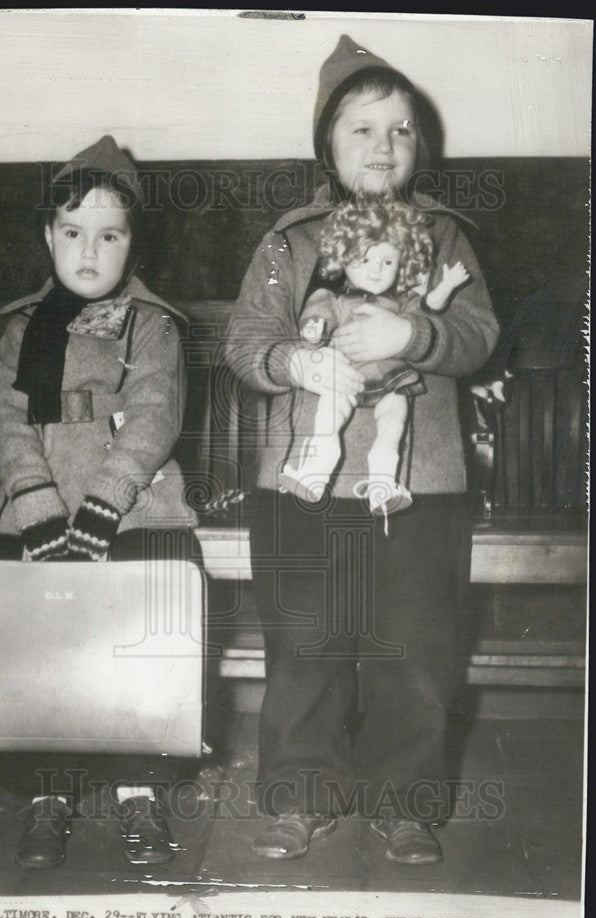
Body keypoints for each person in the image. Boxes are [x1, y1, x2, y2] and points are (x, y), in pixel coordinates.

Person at [225, 35, 499, 864]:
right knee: (306, 642)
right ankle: (301, 793)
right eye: (362, 129)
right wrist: (296, 359)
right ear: (326, 146)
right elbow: (246, 341)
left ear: (421, 146)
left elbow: (480, 336)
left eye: (402, 130)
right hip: (301, 485)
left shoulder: (445, 236)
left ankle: (405, 800)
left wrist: (416, 329)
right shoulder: (290, 240)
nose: (385, 146)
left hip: (419, 479)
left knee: (417, 646)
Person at [0, 135, 200, 869]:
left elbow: (153, 417)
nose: (88, 250)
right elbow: (8, 424)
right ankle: (50, 793)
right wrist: (38, 503)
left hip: (134, 511)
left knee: (135, 656)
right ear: (49, 236)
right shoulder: (20, 329)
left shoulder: (154, 325)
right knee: (43, 657)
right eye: (72, 232)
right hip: (37, 508)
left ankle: (140, 792)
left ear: (132, 245)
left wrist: (104, 503)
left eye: (109, 235)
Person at [279, 194, 469, 519]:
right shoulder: (337, 299)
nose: (377, 272)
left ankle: (383, 483)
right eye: (363, 261)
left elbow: (428, 310)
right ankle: (316, 470)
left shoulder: (402, 302)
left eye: (387, 262)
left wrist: (447, 286)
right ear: (342, 260)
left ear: (402, 263)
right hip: (346, 374)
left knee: (393, 423)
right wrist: (313, 330)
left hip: (391, 376)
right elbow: (318, 314)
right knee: (327, 418)